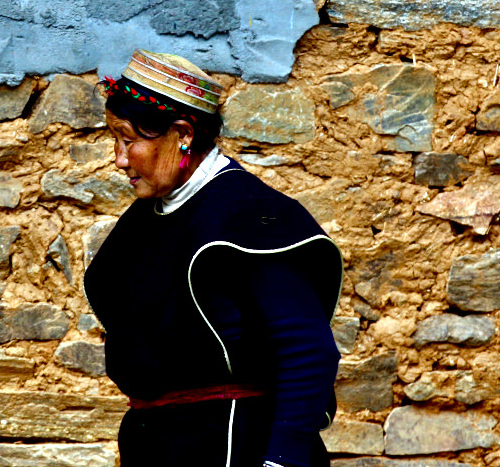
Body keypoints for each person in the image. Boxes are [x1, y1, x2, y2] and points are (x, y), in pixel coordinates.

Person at [83, 49, 343, 467]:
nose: (118, 159)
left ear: (183, 133)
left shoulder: (245, 215)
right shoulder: (148, 216)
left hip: (235, 446)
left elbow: (308, 349)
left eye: (128, 140)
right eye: (114, 139)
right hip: (161, 446)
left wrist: (284, 459)